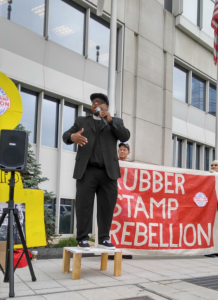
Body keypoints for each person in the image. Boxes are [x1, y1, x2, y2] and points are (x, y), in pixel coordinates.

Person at [63, 93, 130, 251]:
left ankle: (104, 238)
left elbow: (125, 136)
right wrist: (73, 137)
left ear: (106, 106)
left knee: (107, 206)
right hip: (87, 170)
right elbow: (66, 135)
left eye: (99, 102)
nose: (95, 104)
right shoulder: (81, 121)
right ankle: (83, 238)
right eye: (93, 102)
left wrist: (111, 122)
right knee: (83, 205)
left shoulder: (116, 121)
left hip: (108, 172)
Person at [109, 142, 132, 260]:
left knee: (127, 223)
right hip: (115, 197)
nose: (122, 151)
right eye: (120, 149)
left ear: (128, 152)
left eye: (125, 150)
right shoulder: (113, 163)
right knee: (114, 223)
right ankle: (112, 250)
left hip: (127, 200)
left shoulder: (133, 167)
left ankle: (126, 251)